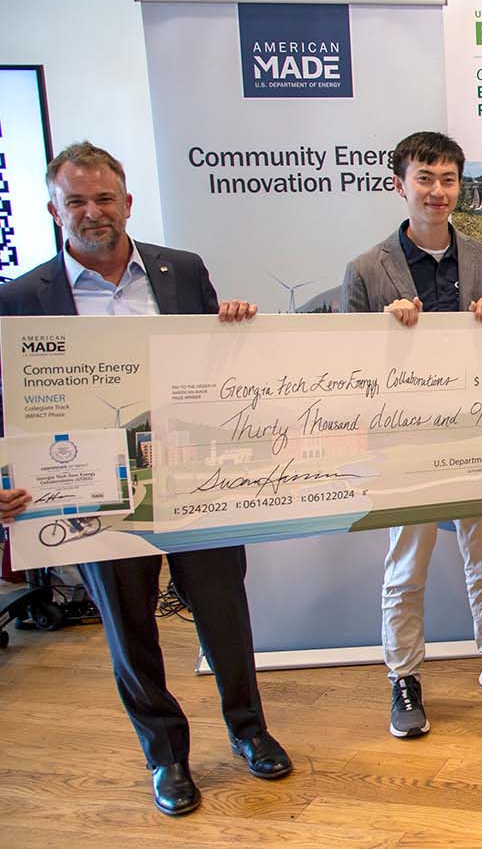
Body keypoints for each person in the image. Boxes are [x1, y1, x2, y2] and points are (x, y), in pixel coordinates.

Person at [0, 142, 290, 816]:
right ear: (53, 210)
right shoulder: (20, 298)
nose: (92, 212)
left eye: (104, 198)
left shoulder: (181, 272)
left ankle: (250, 732)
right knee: (131, 631)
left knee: (225, 617)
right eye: (76, 201)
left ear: (127, 202)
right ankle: (167, 758)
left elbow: (222, 373)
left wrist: (237, 332)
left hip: (195, 476)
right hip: (95, 493)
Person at [343, 131, 482, 739]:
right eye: (425, 179)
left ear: (460, 186)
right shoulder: (365, 269)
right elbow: (348, 366)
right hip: (405, 441)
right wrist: (384, 331)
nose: (437, 191)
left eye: (448, 179)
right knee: (406, 566)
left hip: (475, 433)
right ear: (399, 184)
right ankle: (403, 677)